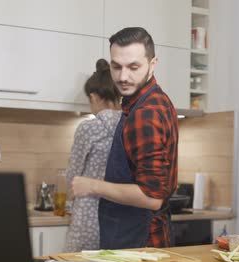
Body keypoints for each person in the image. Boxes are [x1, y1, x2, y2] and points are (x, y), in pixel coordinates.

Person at [71, 27, 179, 249]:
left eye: (133, 67)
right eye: (116, 66)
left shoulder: (145, 113)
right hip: (138, 239)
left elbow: (151, 197)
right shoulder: (149, 100)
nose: (123, 77)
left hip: (140, 243)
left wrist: (92, 186)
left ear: (153, 63)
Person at [63, 59, 122, 252]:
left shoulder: (89, 128)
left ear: (94, 96)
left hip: (89, 215)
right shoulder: (130, 126)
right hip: (121, 215)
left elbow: (73, 175)